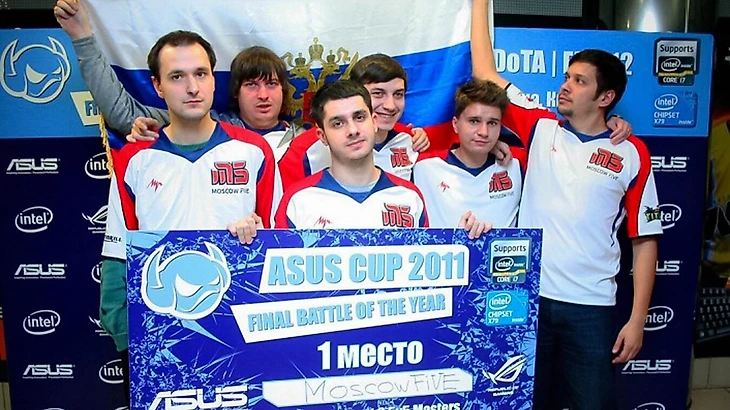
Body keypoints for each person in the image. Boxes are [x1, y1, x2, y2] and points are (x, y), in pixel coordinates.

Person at [470, 0, 662, 409]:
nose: (566, 86)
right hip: (528, 299)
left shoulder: (632, 153)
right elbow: (485, 72)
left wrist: (637, 320)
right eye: (566, 77)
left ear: (606, 96)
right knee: (522, 402)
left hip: (591, 308)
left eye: (579, 81)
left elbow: (645, 242)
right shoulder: (539, 127)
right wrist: (479, 3)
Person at [98, 30, 278, 402]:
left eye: (200, 74)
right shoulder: (134, 160)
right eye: (177, 76)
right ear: (158, 86)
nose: (192, 87)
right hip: (157, 341)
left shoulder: (254, 151)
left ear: (213, 79)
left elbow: (279, 245)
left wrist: (258, 234)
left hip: (240, 337)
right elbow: (117, 255)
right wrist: (127, 337)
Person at [54, 0, 304, 160]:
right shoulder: (203, 124)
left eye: (271, 84)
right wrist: (82, 37)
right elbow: (123, 113)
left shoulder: (309, 140)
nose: (263, 95)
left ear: (284, 90)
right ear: (235, 91)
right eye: (251, 85)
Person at [275, 79, 489, 237]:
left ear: (374, 121)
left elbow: (424, 275)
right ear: (322, 136)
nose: (353, 130)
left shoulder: (409, 196)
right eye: (338, 123)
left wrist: (461, 243)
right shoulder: (298, 201)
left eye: (360, 117)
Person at [278, 54, 436, 189]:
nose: (390, 106)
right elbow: (289, 204)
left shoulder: (412, 140)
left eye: (398, 94)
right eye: (378, 93)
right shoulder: (304, 150)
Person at [412, 79, 523, 230]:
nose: (484, 132)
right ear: (455, 124)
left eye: (492, 123)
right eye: (474, 121)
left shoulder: (518, 164)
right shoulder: (422, 166)